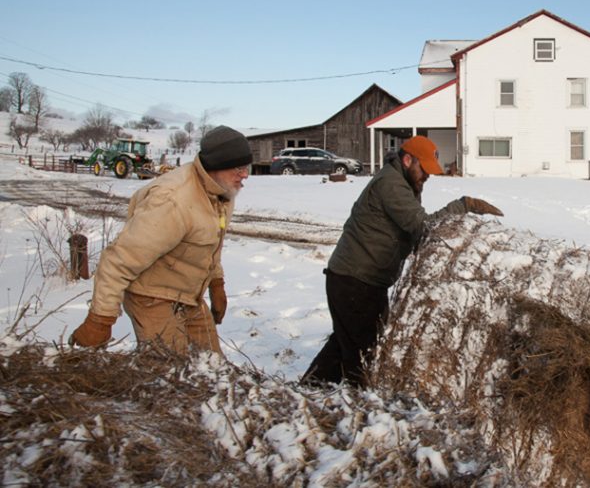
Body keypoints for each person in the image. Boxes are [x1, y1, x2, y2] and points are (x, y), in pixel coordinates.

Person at [302, 135, 502, 387]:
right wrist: (463, 206)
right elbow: (424, 227)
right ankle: (356, 404)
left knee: (347, 343)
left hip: (362, 279)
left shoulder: (404, 184)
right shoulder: (391, 185)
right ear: (407, 160)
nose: (427, 176)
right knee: (361, 353)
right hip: (354, 280)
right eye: (424, 169)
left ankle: (309, 390)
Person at [69, 125, 253, 354]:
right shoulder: (172, 201)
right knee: (172, 374)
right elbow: (118, 261)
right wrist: (100, 319)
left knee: (212, 368)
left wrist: (217, 283)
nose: (245, 174)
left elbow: (210, 244)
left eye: (246, 167)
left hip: (189, 295)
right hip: (151, 296)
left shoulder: (222, 192)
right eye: (237, 168)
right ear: (215, 165)